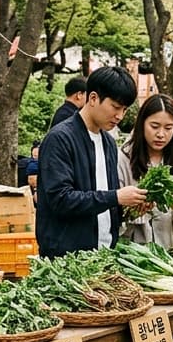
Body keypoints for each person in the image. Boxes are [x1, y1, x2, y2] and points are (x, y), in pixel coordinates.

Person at [35, 66, 146, 257]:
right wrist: (116, 197)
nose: (120, 116)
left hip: (103, 255)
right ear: (93, 98)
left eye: (125, 109)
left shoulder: (109, 143)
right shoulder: (60, 139)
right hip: (66, 261)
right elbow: (61, 200)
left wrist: (130, 207)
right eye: (116, 107)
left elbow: (105, 204)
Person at [118, 94, 173, 247]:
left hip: (171, 249)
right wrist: (132, 211)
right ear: (142, 123)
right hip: (132, 252)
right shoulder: (123, 158)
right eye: (154, 126)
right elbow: (111, 213)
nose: (161, 134)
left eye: (168, 128)